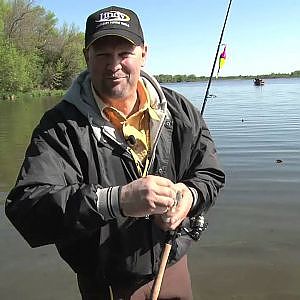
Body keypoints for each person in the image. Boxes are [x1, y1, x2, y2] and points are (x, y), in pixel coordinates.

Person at [5, 5, 225, 300]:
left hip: (173, 265)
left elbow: (209, 172)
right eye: (103, 55)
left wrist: (190, 196)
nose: (114, 65)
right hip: (105, 284)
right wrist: (115, 201)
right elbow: (26, 207)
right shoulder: (59, 127)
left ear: (144, 53)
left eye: (125, 54)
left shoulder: (180, 109)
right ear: (87, 57)